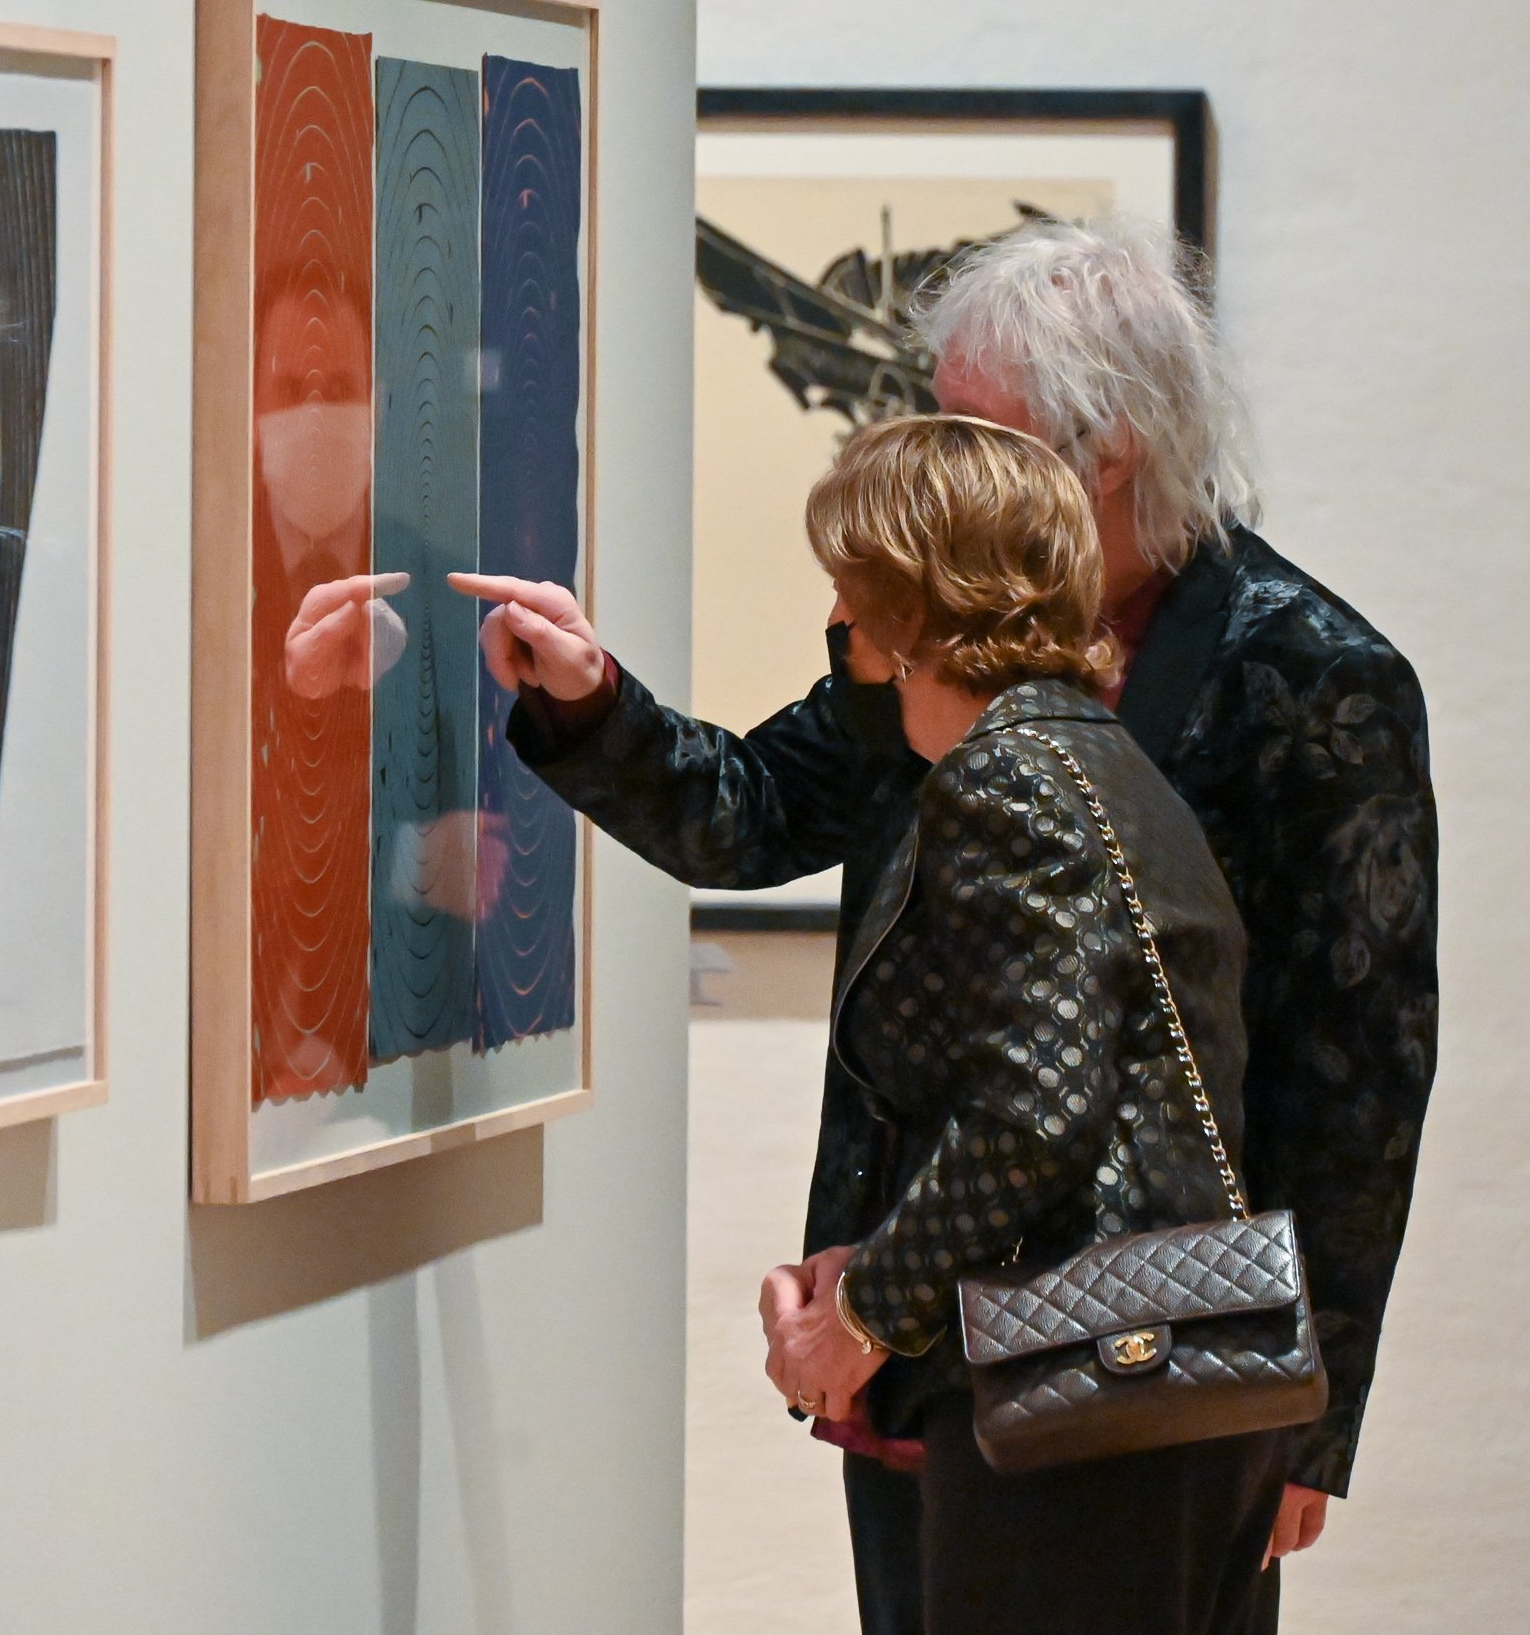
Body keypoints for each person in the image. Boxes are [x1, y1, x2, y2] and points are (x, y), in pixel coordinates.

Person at [449, 215, 1437, 1635]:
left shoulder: (1312, 675)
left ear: (1109, 452)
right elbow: (752, 811)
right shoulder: (946, 627)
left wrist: (1314, 1411)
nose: (937, 455)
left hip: (1146, 1351)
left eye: (975, 429)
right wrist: (592, 701)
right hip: (931, 1331)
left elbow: (1357, 1079)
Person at [764, 411, 1293, 1633]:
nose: (837, 617)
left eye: (852, 586)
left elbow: (1033, 1111)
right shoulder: (1096, 757)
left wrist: (864, 1314)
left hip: (1086, 1410)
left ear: (911, 607)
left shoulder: (1003, 777)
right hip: (1178, 1380)